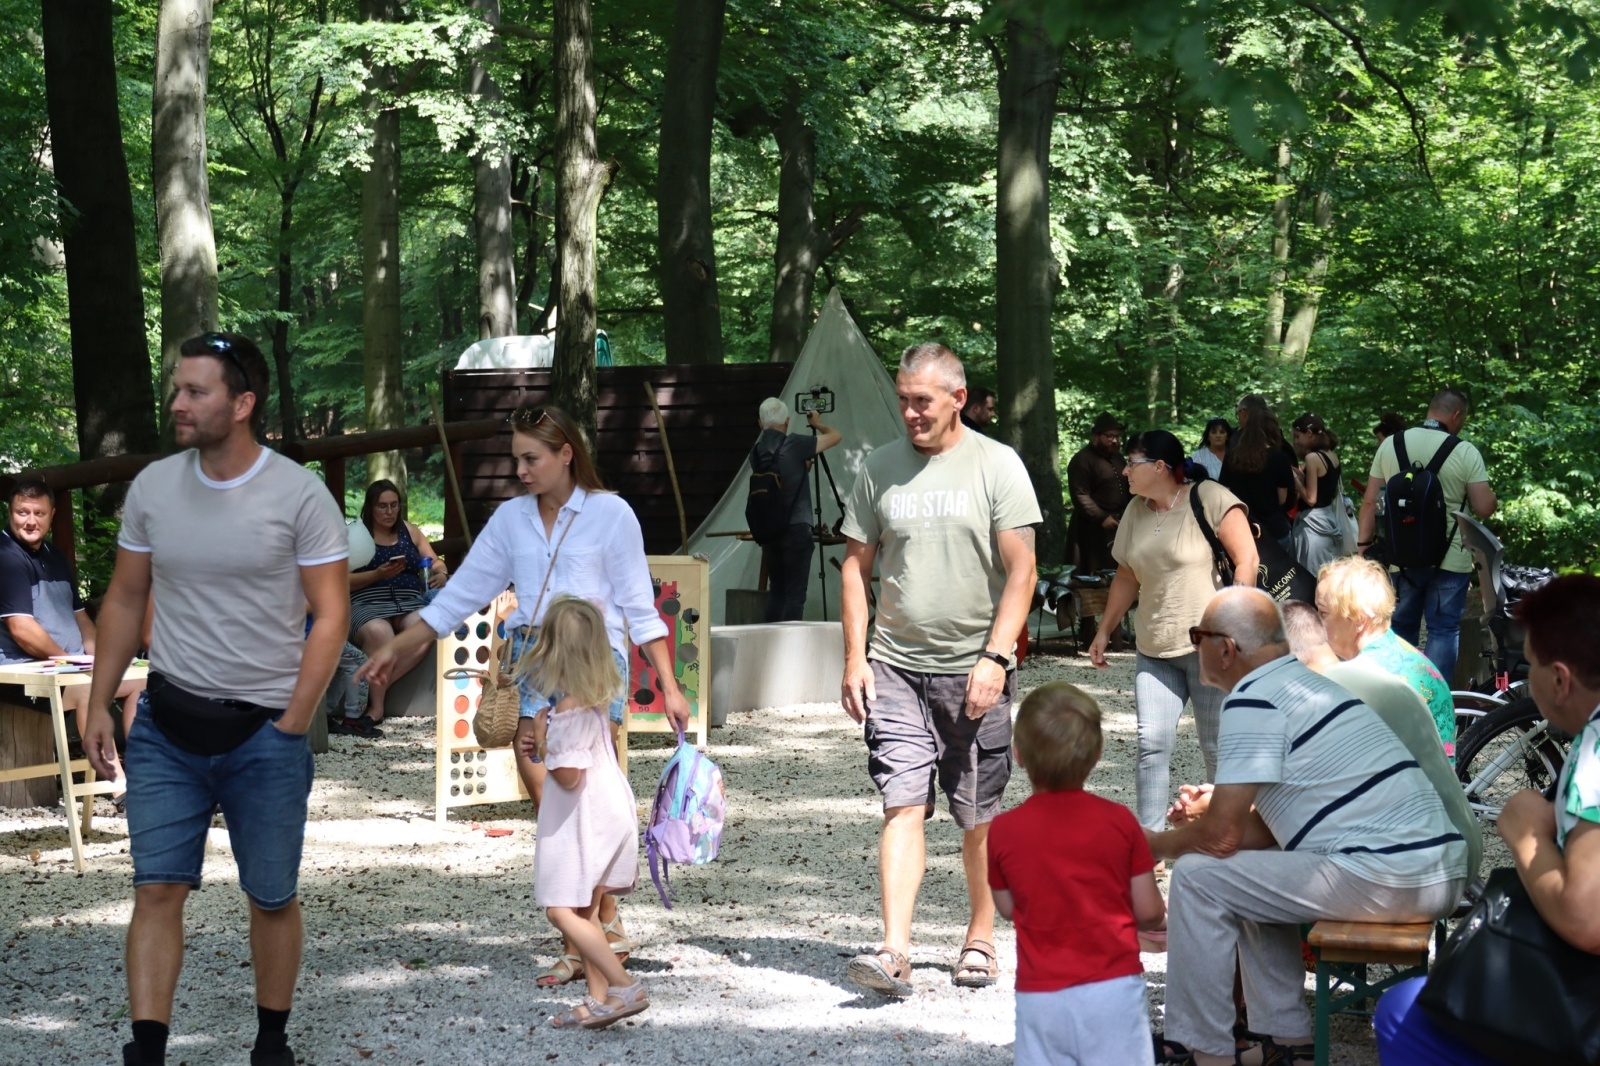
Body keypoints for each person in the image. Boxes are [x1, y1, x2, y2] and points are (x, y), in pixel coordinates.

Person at [81, 332, 350, 1066]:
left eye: (196, 391)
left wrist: (292, 720)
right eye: (177, 388)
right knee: (156, 890)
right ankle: (147, 1051)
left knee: (269, 895)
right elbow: (127, 595)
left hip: (264, 732)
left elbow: (331, 614)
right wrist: (98, 699)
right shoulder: (155, 487)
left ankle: (271, 1043)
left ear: (243, 403)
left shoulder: (298, 493)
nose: (178, 402)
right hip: (168, 724)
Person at [358, 404, 689, 987]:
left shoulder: (611, 514)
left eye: (531, 458)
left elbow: (640, 604)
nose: (521, 470)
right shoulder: (512, 519)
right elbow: (458, 596)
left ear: (567, 454)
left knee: (577, 799)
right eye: (517, 459)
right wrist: (397, 647)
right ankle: (594, 935)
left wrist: (669, 683)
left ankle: (590, 941)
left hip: (589, 670)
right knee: (554, 806)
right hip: (530, 666)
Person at [1152, 588, 1469, 1066]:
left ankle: (1202, 1049)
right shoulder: (1309, 686)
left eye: (1197, 635)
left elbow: (1220, 836)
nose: (1193, 646)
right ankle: (1285, 1041)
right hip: (1432, 868)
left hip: (1392, 872)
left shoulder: (1253, 698)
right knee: (1240, 870)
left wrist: (1146, 844)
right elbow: (1260, 834)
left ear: (1226, 648)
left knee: (1198, 876)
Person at [838, 342, 1040, 996]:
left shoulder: (997, 465)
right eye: (902, 400)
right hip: (894, 667)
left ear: (957, 398)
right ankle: (894, 950)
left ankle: (979, 935)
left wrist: (995, 657)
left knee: (976, 812)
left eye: (920, 401)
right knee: (901, 802)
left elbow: (1022, 570)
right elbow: (854, 565)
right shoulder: (879, 468)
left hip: (972, 671)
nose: (909, 413)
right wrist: (854, 657)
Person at [1374, 573, 1600, 1063]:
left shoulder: (1596, 750)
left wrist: (1526, 832)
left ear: (1560, 680)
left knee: (1402, 1015)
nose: (1528, 676)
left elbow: (1586, 918)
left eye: (1532, 664)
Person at [988, 681, 1165, 1066]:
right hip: (1113, 986)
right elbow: (1150, 910)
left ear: (1018, 754)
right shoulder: (1120, 822)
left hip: (1041, 992)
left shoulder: (1003, 829)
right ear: (1098, 753)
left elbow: (1005, 906)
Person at [1088, 430, 1257, 831]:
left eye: (1132, 463)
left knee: (1217, 747)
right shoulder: (1134, 511)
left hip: (1211, 650)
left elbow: (1247, 559)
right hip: (1154, 648)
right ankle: (1150, 842)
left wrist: (1235, 622)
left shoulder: (1211, 497)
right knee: (1150, 747)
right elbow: (1127, 575)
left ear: (1159, 467)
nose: (1124, 471)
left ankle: (1224, 831)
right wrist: (1103, 630)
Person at [517, 596, 650, 1031]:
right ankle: (599, 1001)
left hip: (586, 822)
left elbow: (569, 776)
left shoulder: (568, 712)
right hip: (607, 814)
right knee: (588, 910)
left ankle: (623, 986)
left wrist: (542, 739)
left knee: (562, 912)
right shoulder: (590, 702)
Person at [1280, 600, 1481, 878]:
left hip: (1424, 865)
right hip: (1456, 842)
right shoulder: (1377, 675)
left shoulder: (1323, 696)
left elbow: (1293, 807)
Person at [1357, 387, 1497, 684]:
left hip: (1401, 557)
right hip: (1450, 558)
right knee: (1443, 629)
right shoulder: (1464, 450)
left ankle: (1400, 694)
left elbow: (1370, 502)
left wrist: (1363, 547)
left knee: (1400, 626)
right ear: (1456, 415)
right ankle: (1434, 702)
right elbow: (1484, 508)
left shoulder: (1390, 445)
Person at [0, 477, 144, 751]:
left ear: (52, 515)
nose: (31, 521)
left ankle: (144, 774)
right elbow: (22, 630)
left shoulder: (54, 555)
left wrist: (96, 657)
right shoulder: (5, 556)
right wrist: (71, 663)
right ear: (10, 512)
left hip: (65, 670)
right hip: (17, 674)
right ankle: (119, 788)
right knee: (91, 691)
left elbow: (80, 618)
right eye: (22, 513)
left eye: (39, 513)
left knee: (142, 682)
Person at [1315, 555, 1456, 759]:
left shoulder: (1362, 677)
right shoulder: (1402, 653)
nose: (1318, 622)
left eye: (1323, 613)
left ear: (1359, 619)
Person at [340, 479, 447, 736]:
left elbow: (436, 562)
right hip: (367, 601)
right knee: (380, 633)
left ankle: (380, 689)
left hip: (408, 599)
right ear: (370, 508)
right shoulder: (357, 535)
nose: (389, 512)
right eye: (382, 506)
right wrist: (377, 574)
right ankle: (376, 707)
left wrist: (441, 573)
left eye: (394, 505)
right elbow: (340, 580)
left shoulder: (410, 531)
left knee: (425, 626)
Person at [749, 396, 841, 622]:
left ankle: (769, 645)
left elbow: (779, 479)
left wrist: (802, 469)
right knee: (795, 595)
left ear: (760, 424)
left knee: (777, 591)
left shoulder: (756, 452)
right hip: (796, 529)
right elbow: (836, 436)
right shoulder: (795, 444)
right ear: (787, 421)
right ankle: (791, 649)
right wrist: (817, 423)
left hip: (769, 530)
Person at [1222, 403, 1295, 550]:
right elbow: (1283, 499)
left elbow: (1224, 491)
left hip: (1242, 528)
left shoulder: (1232, 456)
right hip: (1274, 531)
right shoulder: (1279, 458)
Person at [1065, 413, 1128, 575]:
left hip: (1118, 524)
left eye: (1117, 436)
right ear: (1096, 436)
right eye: (1109, 436)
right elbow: (1080, 495)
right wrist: (1101, 517)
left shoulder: (1119, 458)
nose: (1114, 440)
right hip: (1091, 528)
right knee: (1092, 575)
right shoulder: (1082, 460)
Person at [1287, 412, 1349, 575]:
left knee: (1312, 575)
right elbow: (1325, 486)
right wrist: (1302, 477)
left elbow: (1311, 499)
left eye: (1297, 436)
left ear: (1309, 434)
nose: (1296, 442)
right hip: (1328, 518)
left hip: (1314, 526)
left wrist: (1295, 479)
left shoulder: (1312, 458)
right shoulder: (1332, 455)